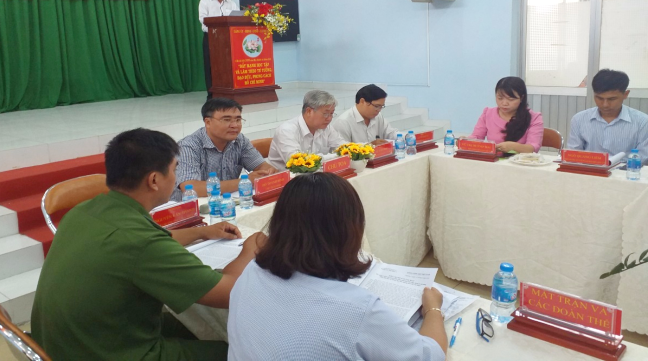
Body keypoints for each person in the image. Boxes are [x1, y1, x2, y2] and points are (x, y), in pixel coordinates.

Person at [31, 128, 263, 361]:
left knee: (199, 325)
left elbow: (151, 239)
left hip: (66, 341)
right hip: (106, 352)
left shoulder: (84, 211)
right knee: (247, 352)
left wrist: (202, 232)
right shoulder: (141, 243)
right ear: (154, 180)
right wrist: (251, 247)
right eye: (174, 170)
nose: (176, 178)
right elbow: (229, 292)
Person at [227, 173, 447, 360]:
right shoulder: (357, 310)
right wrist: (433, 310)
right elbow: (432, 355)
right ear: (350, 229)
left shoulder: (252, 271)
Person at [172, 98, 276, 199]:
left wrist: (268, 173)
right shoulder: (188, 146)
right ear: (208, 122)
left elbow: (261, 166)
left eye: (238, 120)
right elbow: (191, 188)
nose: (234, 125)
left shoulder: (240, 140)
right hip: (190, 206)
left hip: (228, 201)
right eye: (227, 120)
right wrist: (245, 182)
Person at [568, 69, 648, 163]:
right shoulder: (579, 119)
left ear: (625, 94)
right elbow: (573, 153)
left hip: (624, 170)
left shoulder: (642, 122)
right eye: (599, 98)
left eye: (612, 99)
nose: (605, 104)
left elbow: (643, 157)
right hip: (588, 169)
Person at [267, 90, 347, 170]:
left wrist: (345, 152)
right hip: (288, 176)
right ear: (309, 111)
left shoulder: (326, 128)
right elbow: (298, 163)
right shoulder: (286, 131)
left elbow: (345, 148)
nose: (329, 118)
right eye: (325, 114)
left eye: (331, 113)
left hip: (317, 174)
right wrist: (336, 156)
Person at [470, 76, 543, 153]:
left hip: (520, 160)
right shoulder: (487, 113)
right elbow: (476, 137)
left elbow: (533, 148)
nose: (504, 103)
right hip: (493, 159)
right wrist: (466, 141)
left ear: (521, 98)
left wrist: (513, 147)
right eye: (500, 98)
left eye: (511, 99)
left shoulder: (534, 118)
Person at [199, 0, 240, 99]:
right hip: (211, 39)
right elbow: (203, 20)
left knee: (228, 66)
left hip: (228, 40)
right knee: (211, 67)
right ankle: (212, 95)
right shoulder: (205, 2)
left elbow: (237, 19)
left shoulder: (231, 3)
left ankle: (228, 93)